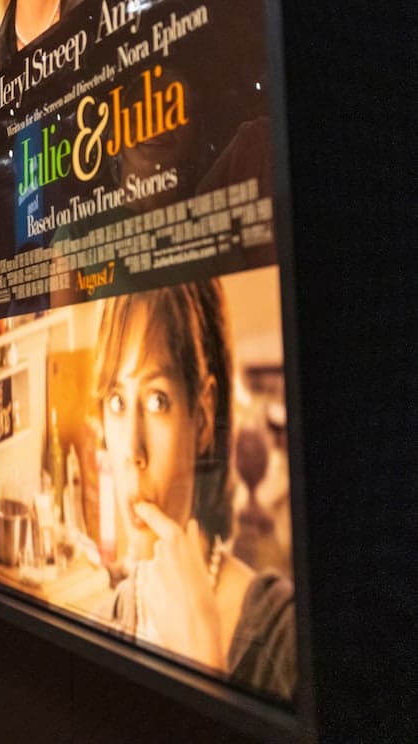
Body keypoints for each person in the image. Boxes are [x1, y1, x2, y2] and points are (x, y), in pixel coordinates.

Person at [94, 280, 296, 700]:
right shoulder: (109, 620)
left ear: (202, 416)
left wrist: (203, 665)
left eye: (157, 401)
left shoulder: (284, 636)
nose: (133, 450)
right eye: (117, 401)